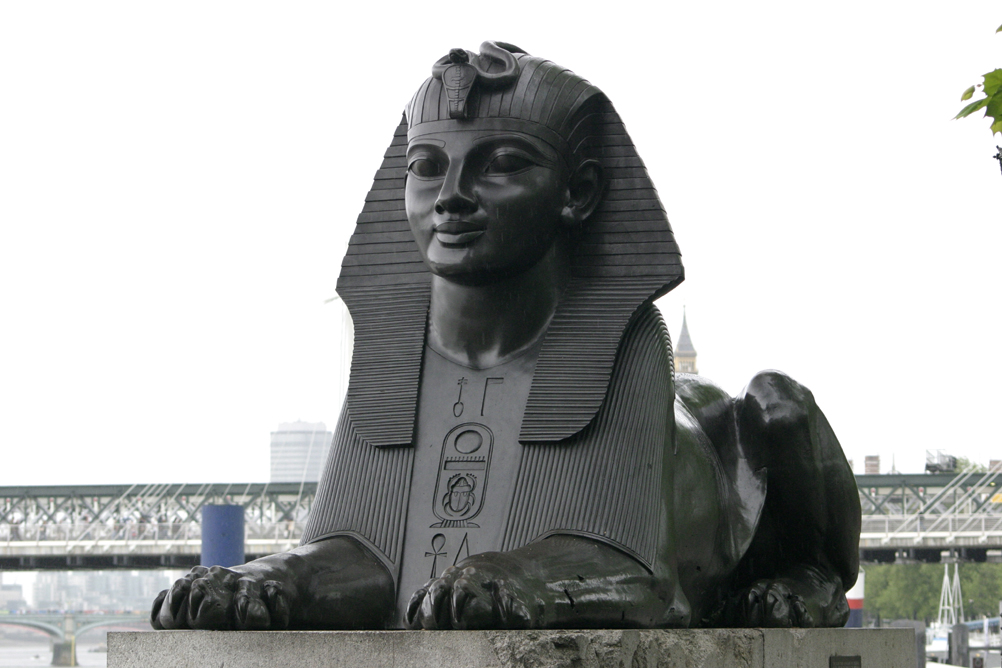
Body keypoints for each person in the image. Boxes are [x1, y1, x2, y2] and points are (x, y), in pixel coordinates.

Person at [151, 42, 860, 631]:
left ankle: (812, 572)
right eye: (427, 166)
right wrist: (277, 579)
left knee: (777, 405)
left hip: (717, 494)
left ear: (578, 192)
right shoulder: (393, 349)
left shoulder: (624, 341)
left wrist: (515, 574)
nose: (451, 194)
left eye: (502, 164)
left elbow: (640, 578)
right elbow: (365, 556)